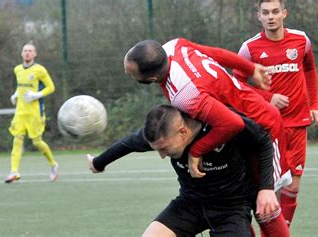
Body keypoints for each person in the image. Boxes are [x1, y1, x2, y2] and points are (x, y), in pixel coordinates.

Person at [124, 39, 292, 235]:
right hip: (237, 128)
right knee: (239, 208)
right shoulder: (174, 46)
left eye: (130, 73)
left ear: (152, 78)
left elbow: (233, 124)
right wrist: (250, 68)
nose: (126, 73)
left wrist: (196, 150)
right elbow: (216, 52)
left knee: (264, 205)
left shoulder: (185, 96)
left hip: (261, 127)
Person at [86, 104, 289, 237]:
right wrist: (98, 163)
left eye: (164, 149)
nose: (162, 155)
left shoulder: (224, 124)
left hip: (231, 209)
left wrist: (266, 188)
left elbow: (262, 140)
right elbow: (127, 144)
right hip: (190, 204)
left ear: (183, 131)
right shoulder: (161, 134)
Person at [233, 0, 318, 226]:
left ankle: (282, 231)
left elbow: (310, 70)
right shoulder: (249, 48)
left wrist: (314, 105)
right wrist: (268, 98)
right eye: (266, 13)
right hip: (268, 127)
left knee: (293, 187)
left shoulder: (301, 41)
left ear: (284, 13)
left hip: (298, 123)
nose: (271, 16)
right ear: (259, 17)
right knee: (270, 189)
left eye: (275, 12)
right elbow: (236, 84)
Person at [5, 42, 58, 183]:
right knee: (17, 139)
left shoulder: (40, 70)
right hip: (20, 112)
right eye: (25, 50)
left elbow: (51, 87)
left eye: (30, 51)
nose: (27, 53)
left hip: (35, 112)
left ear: (34, 54)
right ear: (21, 53)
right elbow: (21, 86)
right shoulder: (17, 69)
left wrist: (36, 95)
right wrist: (15, 94)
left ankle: (53, 164)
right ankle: (14, 171)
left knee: (37, 142)